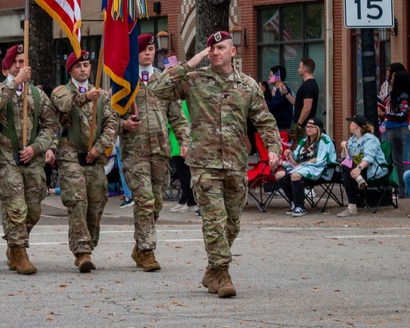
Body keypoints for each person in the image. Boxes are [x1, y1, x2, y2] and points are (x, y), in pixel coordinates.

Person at [154, 31, 281, 298]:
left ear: (233, 52)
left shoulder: (247, 86)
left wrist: (273, 147)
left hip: (235, 163)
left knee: (232, 223)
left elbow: (264, 120)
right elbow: (159, 88)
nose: (215, 53)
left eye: (221, 48)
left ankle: (212, 269)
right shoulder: (195, 81)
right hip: (204, 164)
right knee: (214, 221)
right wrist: (190, 62)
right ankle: (222, 274)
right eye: (211, 49)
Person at [119, 33, 190, 272]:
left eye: (151, 49)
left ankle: (140, 245)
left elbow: (177, 115)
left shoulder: (163, 80)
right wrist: (124, 124)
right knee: (145, 200)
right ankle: (147, 251)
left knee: (157, 202)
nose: (148, 53)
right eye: (143, 49)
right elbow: (111, 115)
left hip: (161, 150)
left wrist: (184, 141)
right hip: (135, 152)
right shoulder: (125, 82)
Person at [0, 43, 59, 275]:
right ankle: (19, 253)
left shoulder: (37, 95)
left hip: (32, 159)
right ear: (7, 66)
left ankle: (14, 241)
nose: (22, 66)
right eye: (17, 63)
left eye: (24, 62)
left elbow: (50, 125)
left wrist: (38, 147)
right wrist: (15, 82)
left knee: (34, 209)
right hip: (7, 158)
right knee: (16, 207)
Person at [51, 49, 119, 273]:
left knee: (97, 203)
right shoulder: (62, 92)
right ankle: (81, 251)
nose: (84, 69)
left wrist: (100, 147)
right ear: (70, 69)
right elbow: (64, 106)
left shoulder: (102, 95)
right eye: (78, 66)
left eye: (87, 65)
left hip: (95, 158)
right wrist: (85, 98)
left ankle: (89, 243)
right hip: (70, 156)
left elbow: (111, 124)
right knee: (78, 201)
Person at [273, 116, 336, 217]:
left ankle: (300, 207)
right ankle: (294, 202)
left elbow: (320, 159)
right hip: (301, 168)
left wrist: (301, 165)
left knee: (295, 175)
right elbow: (295, 162)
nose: (308, 128)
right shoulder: (304, 140)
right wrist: (289, 155)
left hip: (318, 169)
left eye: (311, 126)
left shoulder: (325, 140)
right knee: (279, 175)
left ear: (318, 128)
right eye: (307, 126)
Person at [335, 115, 387, 217]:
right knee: (346, 166)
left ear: (356, 125)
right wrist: (344, 147)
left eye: (351, 123)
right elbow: (346, 158)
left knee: (348, 174)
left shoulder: (370, 139)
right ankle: (358, 179)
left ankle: (352, 208)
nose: (349, 125)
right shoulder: (352, 139)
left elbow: (369, 158)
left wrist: (358, 169)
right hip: (357, 170)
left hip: (372, 169)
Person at [381, 70, 410, 179]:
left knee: (398, 160)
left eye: (393, 78)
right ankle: (395, 186)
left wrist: (386, 114)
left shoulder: (403, 96)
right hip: (390, 128)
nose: (391, 80)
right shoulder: (392, 95)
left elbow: (403, 114)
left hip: (398, 129)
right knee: (392, 159)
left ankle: (401, 188)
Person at [291, 58, 319, 144]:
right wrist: (285, 93)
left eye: (300, 67)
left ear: (305, 69)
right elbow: (297, 103)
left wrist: (299, 124)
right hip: (303, 123)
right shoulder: (307, 84)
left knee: (304, 148)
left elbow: (307, 107)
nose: (298, 69)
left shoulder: (309, 85)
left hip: (304, 125)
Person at [265, 64, 294, 139]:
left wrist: (263, 100)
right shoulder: (277, 91)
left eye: (271, 76)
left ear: (277, 77)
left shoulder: (282, 91)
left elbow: (273, 106)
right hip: (278, 124)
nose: (269, 78)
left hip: (281, 126)